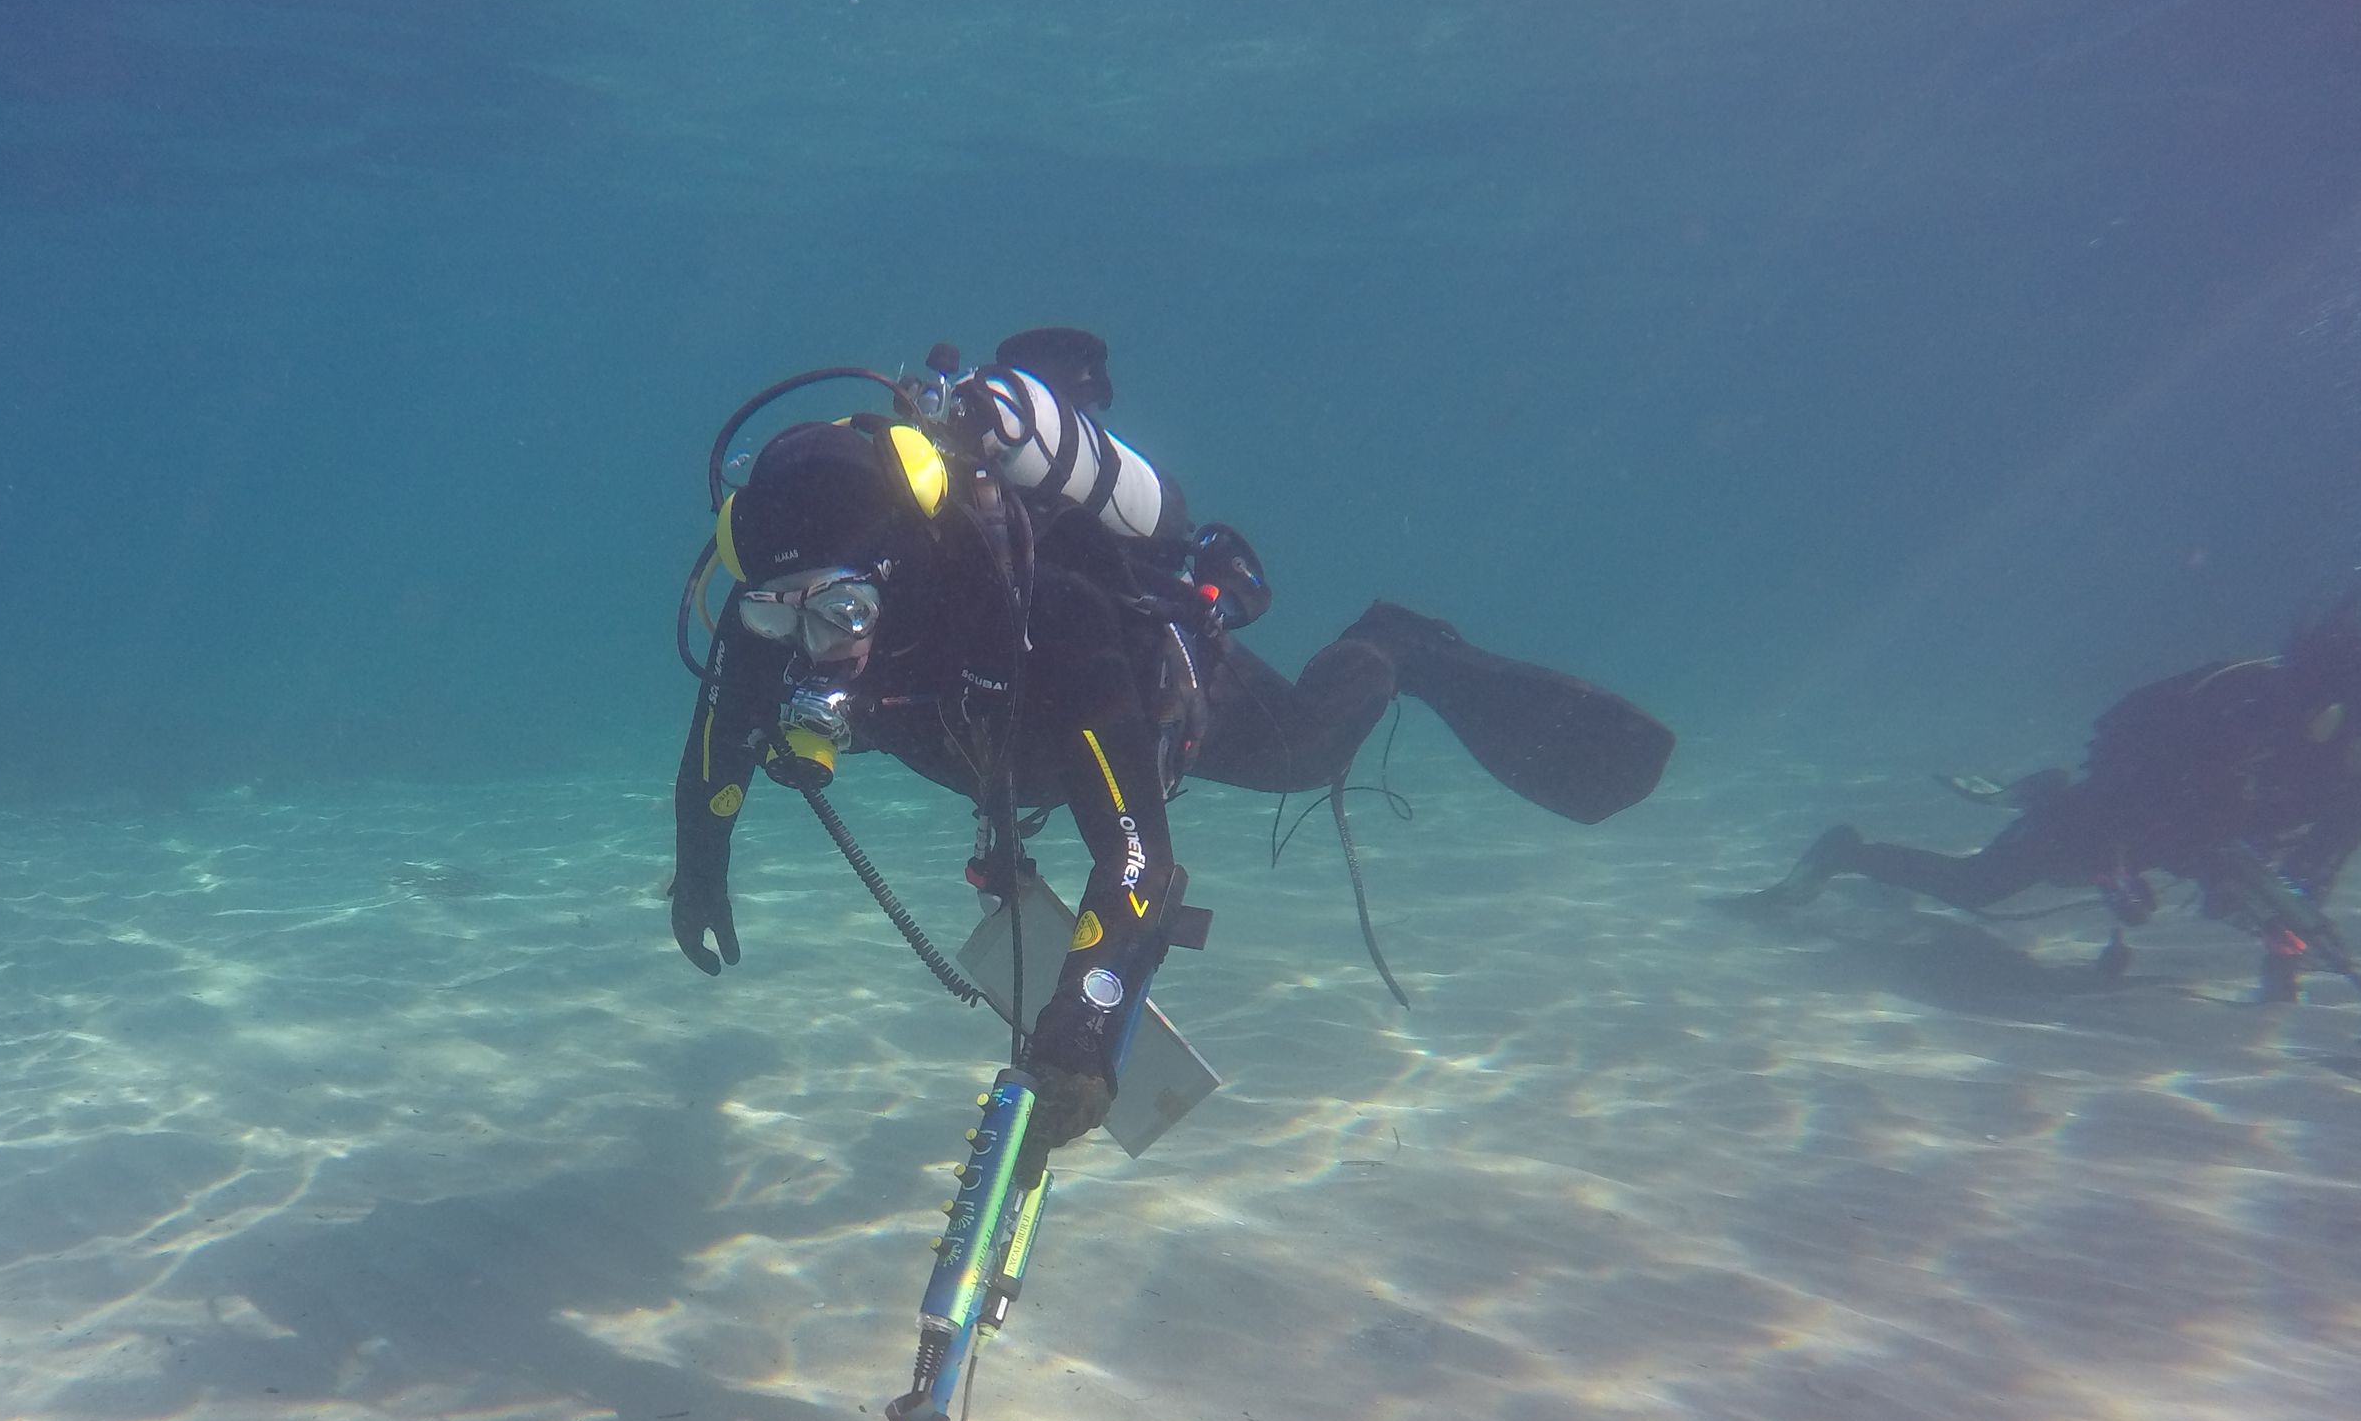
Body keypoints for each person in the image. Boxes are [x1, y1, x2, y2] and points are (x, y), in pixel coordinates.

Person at [666, 328, 1677, 1167]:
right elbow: (720, 741)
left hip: (1135, 704)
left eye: (843, 607)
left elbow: (1140, 860)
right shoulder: (776, 617)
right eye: (778, 615)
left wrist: (1086, 1025)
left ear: (897, 573)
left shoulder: (1045, 617)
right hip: (1001, 750)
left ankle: (1395, 646)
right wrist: (699, 868)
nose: (819, 645)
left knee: (1306, 753)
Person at [1730, 603, 2361, 1000]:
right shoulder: (2238, 705)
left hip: (2188, 839)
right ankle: (1849, 853)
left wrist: (2282, 956)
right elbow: (2128, 768)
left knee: (2233, 879)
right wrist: (2114, 865)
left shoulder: (2337, 768)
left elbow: (2306, 870)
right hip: (2102, 820)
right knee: (1980, 885)